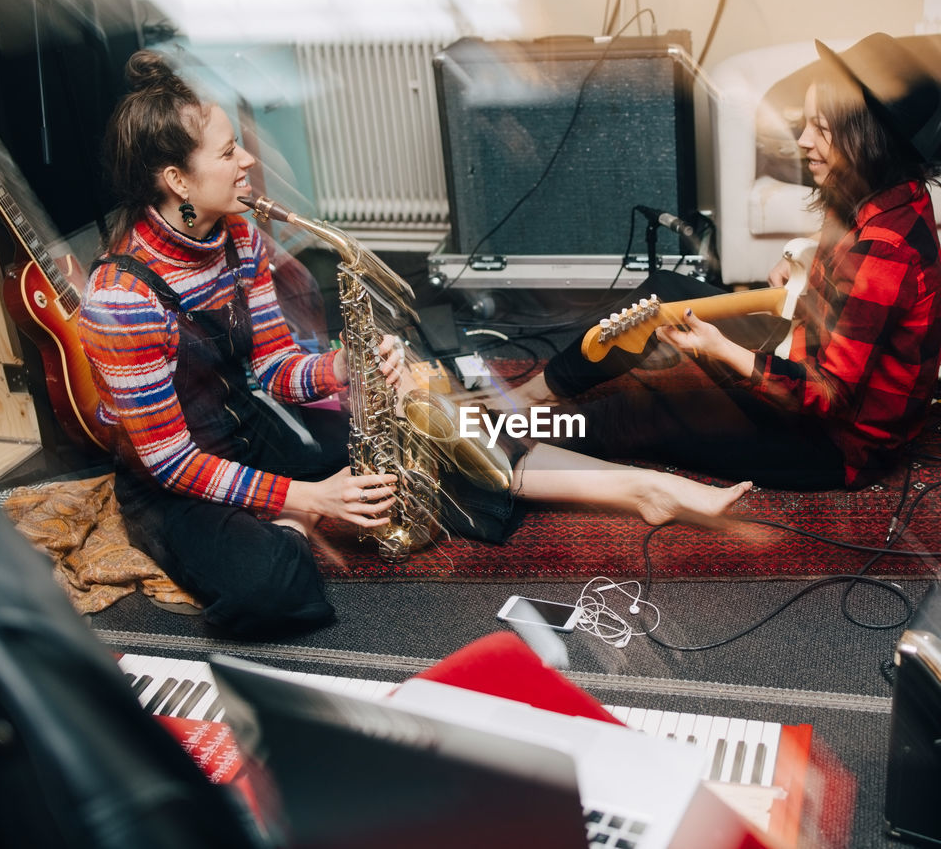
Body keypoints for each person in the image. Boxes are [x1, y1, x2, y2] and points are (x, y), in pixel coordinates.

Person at [79, 51, 749, 638]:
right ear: (175, 179)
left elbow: (275, 368)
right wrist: (307, 500)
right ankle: (284, 530)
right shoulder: (122, 299)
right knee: (276, 586)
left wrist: (346, 368)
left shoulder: (239, 235)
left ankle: (644, 489)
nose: (248, 158)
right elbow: (170, 462)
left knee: (428, 421)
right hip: (173, 482)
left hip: (251, 430)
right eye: (227, 152)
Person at [509, 33, 941, 491]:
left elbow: (829, 396)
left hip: (832, 443)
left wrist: (721, 349)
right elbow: (852, 251)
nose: (804, 141)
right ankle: (536, 393)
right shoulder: (879, 191)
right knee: (663, 292)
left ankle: (493, 439)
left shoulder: (887, 252)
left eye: (821, 128)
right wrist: (802, 258)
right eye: (805, 123)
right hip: (801, 345)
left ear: (867, 137)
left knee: (633, 415)